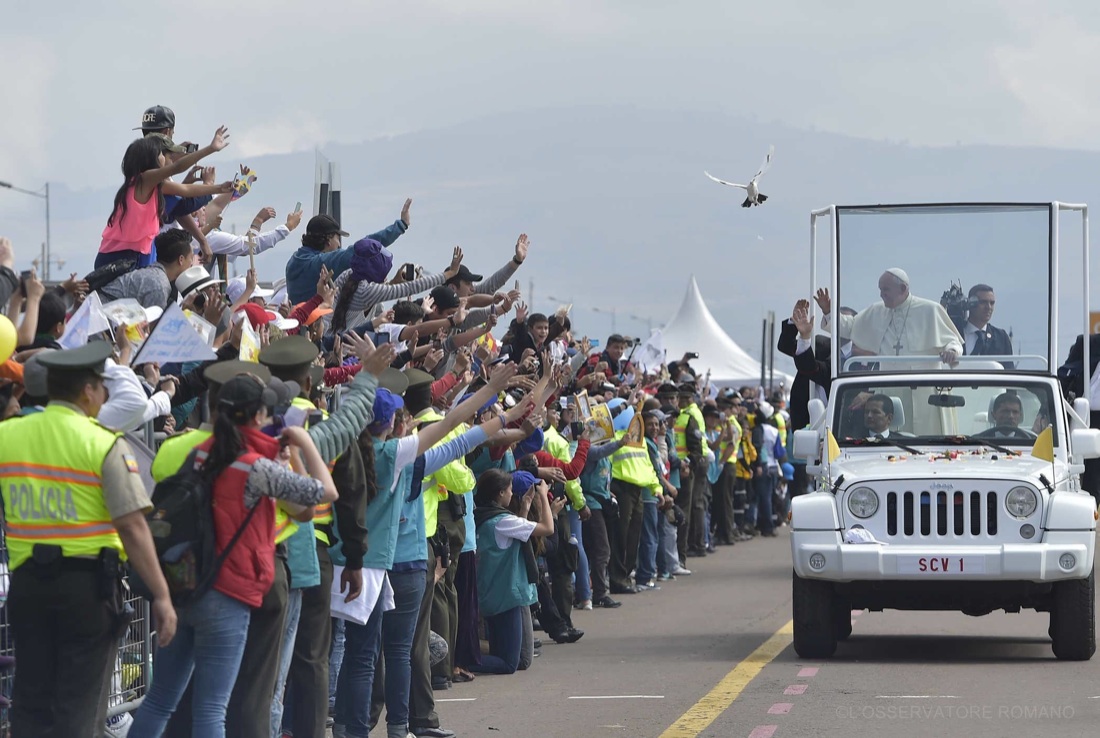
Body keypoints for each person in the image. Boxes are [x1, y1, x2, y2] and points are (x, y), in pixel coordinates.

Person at [128, 374, 337, 738]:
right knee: (212, 709)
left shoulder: (196, 453)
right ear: (258, 415)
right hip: (227, 595)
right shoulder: (256, 467)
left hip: (184, 583)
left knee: (160, 699)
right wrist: (302, 443)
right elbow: (324, 493)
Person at [0, 342, 177, 737]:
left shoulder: (8, 435)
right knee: (79, 706)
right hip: (87, 591)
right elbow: (133, 527)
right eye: (101, 386)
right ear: (86, 391)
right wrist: (162, 595)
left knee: (30, 702)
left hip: (27, 587)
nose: (104, 394)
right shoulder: (102, 443)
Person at [97, 126, 230, 269]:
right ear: (151, 159)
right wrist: (210, 148)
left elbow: (185, 190)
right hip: (118, 256)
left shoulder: (157, 185)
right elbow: (177, 168)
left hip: (140, 253)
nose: (164, 157)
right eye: (161, 153)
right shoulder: (144, 179)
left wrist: (219, 188)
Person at [472, 469, 561, 674]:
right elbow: (548, 528)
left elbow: (516, 536)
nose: (512, 494)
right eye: (510, 490)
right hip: (508, 595)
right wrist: (544, 497)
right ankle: (462, 661)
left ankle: (469, 655)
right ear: (501, 493)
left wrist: (525, 506)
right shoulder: (503, 521)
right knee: (512, 663)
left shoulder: (485, 516)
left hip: (494, 593)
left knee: (519, 658)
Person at [816, 268, 963, 363]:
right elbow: (849, 327)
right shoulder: (876, 311)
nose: (881, 294)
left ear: (903, 288)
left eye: (886, 289)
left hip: (924, 388)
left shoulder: (930, 309)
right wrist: (828, 311)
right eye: (880, 290)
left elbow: (952, 341)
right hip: (888, 385)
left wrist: (952, 351)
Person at [284, 201, 411, 305]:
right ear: (328, 239)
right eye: (337, 238)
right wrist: (400, 226)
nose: (339, 244)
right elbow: (364, 248)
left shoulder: (294, 261)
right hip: (313, 330)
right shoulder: (320, 264)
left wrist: (391, 284)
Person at [98, 229, 196, 310]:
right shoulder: (159, 286)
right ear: (181, 260)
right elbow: (153, 330)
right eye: (191, 258)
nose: (192, 263)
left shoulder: (153, 275)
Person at [962, 284, 1014, 367]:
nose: (988, 307)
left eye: (992, 303)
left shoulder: (1001, 337)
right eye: (983, 302)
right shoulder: (955, 334)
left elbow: (1009, 371)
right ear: (971, 303)